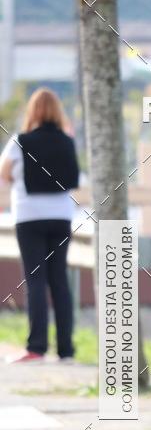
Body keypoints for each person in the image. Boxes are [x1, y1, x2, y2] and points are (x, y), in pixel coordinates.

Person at [0, 88, 80, 363]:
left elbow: (4, 174)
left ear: (32, 111)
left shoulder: (19, 142)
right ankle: (66, 350)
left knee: (35, 280)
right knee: (59, 280)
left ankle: (36, 348)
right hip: (61, 217)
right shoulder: (67, 142)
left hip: (29, 217)